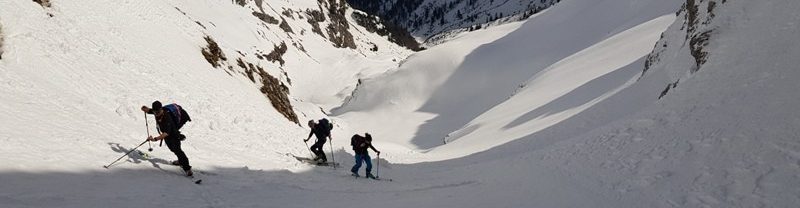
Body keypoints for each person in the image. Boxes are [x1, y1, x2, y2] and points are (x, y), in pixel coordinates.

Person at [141, 101, 193, 176]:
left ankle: (187, 168)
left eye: (158, 112)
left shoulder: (167, 117)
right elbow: (149, 110)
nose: (156, 113)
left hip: (172, 130)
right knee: (172, 148)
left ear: (161, 109)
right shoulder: (157, 111)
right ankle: (181, 160)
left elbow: (166, 133)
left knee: (177, 149)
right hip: (168, 130)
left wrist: (155, 139)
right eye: (155, 112)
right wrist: (145, 108)